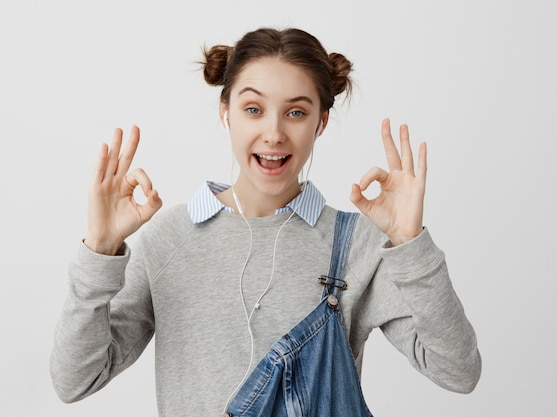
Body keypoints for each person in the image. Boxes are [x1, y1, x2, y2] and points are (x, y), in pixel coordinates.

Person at [50, 27, 481, 416]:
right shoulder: (170, 239)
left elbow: (458, 372)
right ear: (226, 113)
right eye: (254, 109)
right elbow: (75, 381)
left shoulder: (355, 245)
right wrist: (99, 253)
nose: (274, 133)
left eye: (296, 112)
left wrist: (411, 245)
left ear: (321, 123)